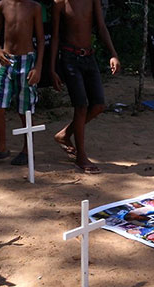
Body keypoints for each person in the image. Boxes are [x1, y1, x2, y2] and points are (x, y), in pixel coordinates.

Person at [50, 0, 120, 174]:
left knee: (98, 105)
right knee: (80, 106)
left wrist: (113, 54)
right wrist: (52, 69)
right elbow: (55, 37)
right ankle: (81, 156)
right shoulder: (59, 3)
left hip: (89, 57)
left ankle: (65, 134)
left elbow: (101, 26)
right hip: (69, 58)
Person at [0, 0, 44, 166]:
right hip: (6, 60)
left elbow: (40, 39)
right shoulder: (2, 5)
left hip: (27, 61)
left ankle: (27, 149)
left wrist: (38, 67)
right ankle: (1, 148)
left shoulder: (34, 7)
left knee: (26, 109)